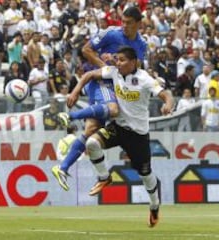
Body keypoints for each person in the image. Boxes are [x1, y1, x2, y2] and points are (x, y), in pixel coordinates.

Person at [66, 46, 174, 227]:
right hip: (118, 127)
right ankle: (104, 177)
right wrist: (76, 91)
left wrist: (168, 105)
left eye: (122, 60)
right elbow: (89, 75)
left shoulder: (144, 79)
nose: (118, 63)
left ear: (133, 62)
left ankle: (154, 204)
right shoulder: (114, 72)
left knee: (145, 174)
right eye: (117, 59)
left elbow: (166, 95)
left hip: (138, 135)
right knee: (92, 143)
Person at [52, 6, 147, 191]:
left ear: (138, 23)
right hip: (100, 80)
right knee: (113, 110)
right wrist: (108, 69)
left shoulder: (142, 44)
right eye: (123, 21)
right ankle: (70, 116)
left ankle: (62, 168)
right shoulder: (111, 34)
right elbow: (86, 50)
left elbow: (138, 68)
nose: (124, 26)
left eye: (128, 23)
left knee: (91, 131)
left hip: (118, 88)